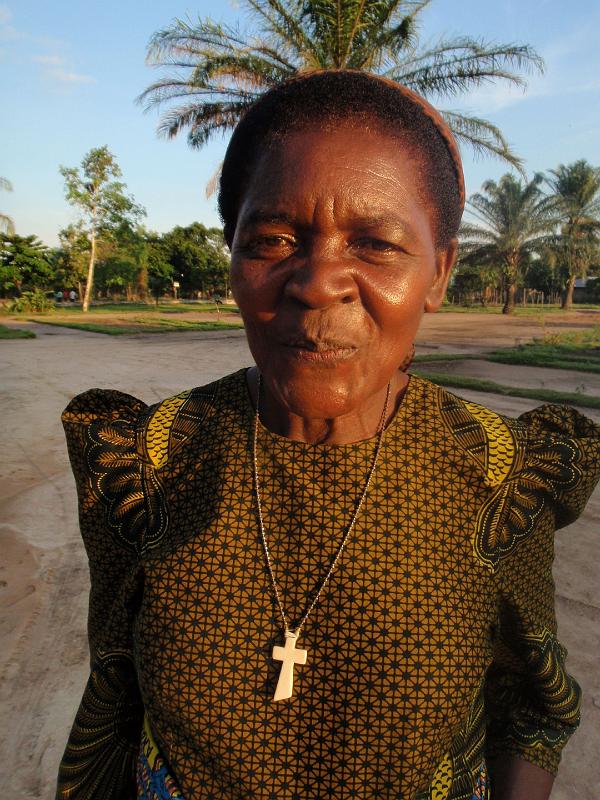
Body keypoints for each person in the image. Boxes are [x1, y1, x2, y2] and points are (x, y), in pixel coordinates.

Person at [56, 71, 600, 800]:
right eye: (273, 240)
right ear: (232, 255)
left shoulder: (500, 474)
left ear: (439, 273)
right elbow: (113, 698)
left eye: (375, 244)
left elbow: (532, 708)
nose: (318, 282)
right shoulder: (147, 460)